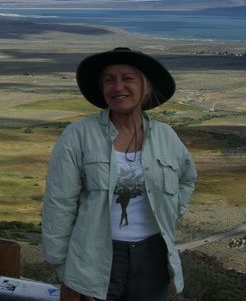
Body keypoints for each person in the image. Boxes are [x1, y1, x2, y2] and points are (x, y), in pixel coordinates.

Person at [42, 47, 197, 300]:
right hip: (93, 258)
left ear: (145, 87)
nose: (118, 86)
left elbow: (187, 179)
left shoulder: (166, 136)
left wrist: (171, 212)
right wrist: (66, 272)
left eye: (128, 78)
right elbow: (59, 203)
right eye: (109, 80)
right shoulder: (78, 135)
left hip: (153, 259)